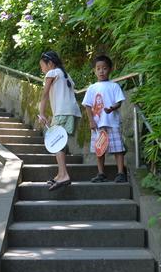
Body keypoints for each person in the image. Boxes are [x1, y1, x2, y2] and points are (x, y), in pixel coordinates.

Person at [38, 50, 81, 191]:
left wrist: (42, 113)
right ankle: (60, 174)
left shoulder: (52, 73)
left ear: (49, 63)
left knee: (56, 143)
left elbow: (44, 95)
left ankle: (64, 175)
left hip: (62, 112)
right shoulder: (65, 75)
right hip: (71, 112)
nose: (42, 69)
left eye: (42, 65)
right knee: (60, 141)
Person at [82, 54, 127, 183]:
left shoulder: (114, 86)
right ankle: (101, 173)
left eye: (104, 68)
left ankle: (120, 173)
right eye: (98, 68)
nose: (101, 71)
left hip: (112, 123)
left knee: (118, 149)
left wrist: (112, 108)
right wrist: (91, 121)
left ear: (110, 69)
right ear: (94, 70)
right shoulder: (92, 88)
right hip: (97, 124)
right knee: (99, 149)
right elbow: (88, 106)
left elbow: (119, 102)